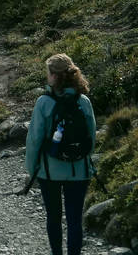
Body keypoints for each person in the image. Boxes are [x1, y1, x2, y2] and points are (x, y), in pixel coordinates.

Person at [24, 53, 96, 255]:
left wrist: (32, 168)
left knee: (53, 217)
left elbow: (35, 139)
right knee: (74, 220)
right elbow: (91, 137)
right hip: (79, 171)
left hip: (49, 172)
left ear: (54, 77)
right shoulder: (83, 101)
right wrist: (82, 158)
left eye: (48, 73)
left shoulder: (43, 102)